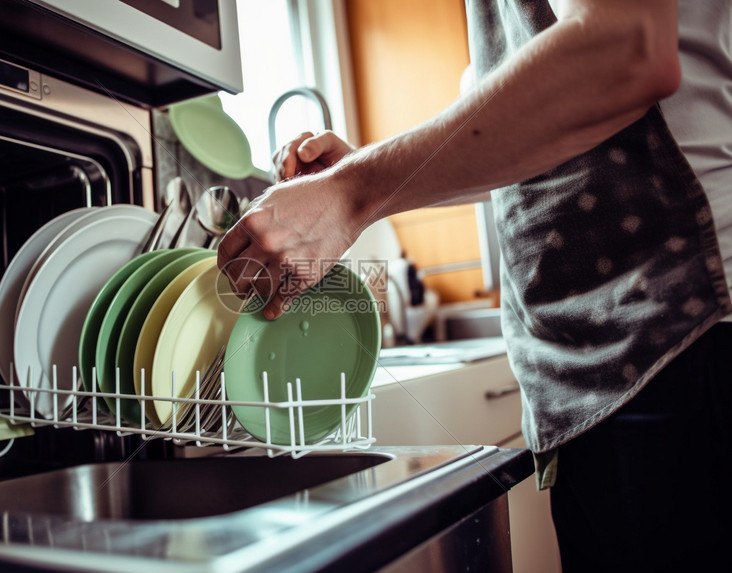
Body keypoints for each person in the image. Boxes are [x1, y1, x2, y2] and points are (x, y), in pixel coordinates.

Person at [218, 1, 732, 572]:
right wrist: (362, 171)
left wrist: (354, 191)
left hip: (684, 330)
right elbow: (530, 140)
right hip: (602, 366)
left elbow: (626, 49)